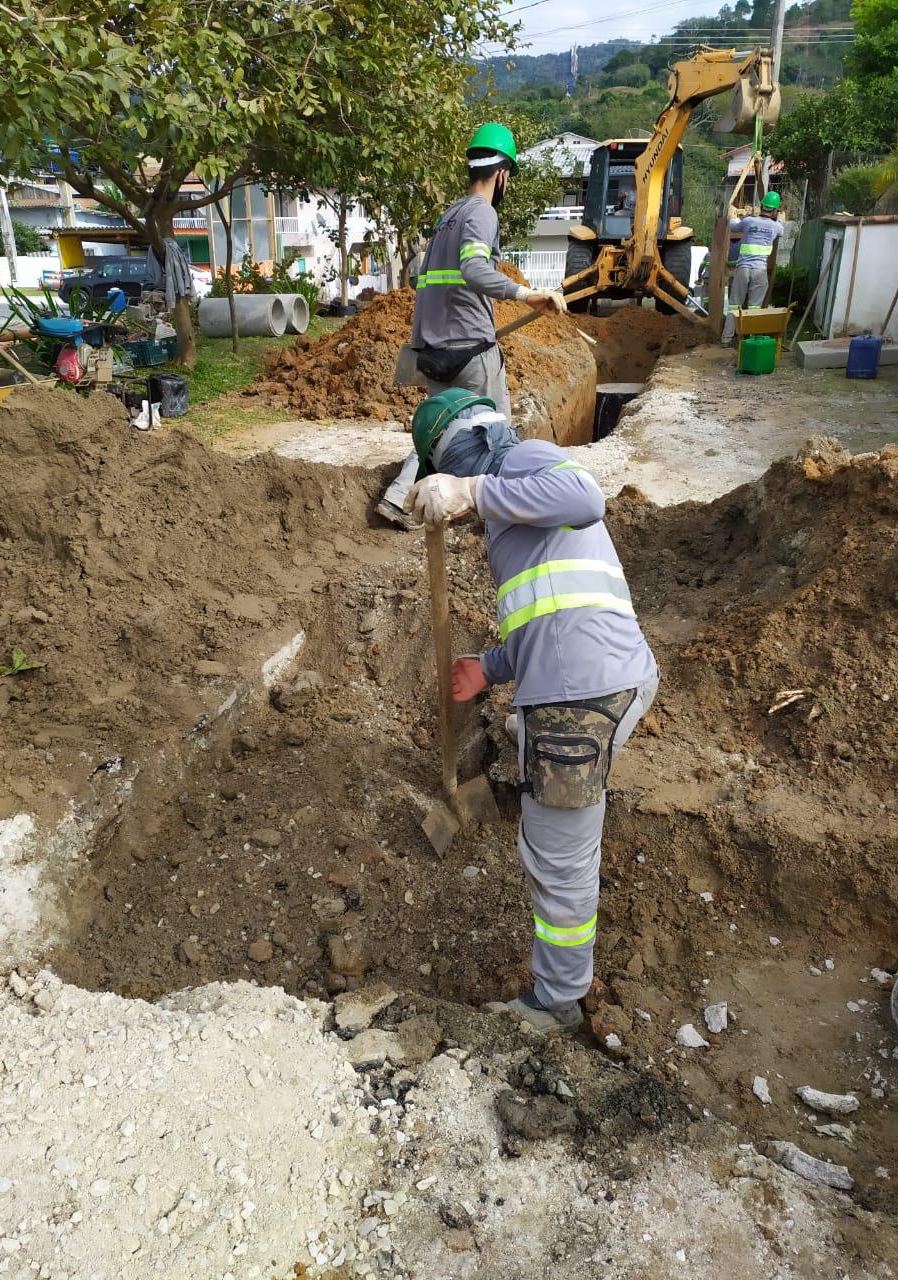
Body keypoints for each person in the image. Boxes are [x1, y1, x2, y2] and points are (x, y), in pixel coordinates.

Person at [405, 405, 659, 1034]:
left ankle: (557, 1003)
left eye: (447, 472)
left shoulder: (520, 462)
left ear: (461, 450)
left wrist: (471, 488)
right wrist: (489, 670)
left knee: (558, 858)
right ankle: (563, 985)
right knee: (555, 835)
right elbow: (549, 611)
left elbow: (585, 493)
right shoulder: (513, 521)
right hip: (595, 678)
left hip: (579, 701)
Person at [376, 122, 566, 529]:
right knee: (495, 431)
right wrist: (525, 294)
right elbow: (475, 269)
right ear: (501, 174)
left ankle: (400, 499)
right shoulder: (482, 212)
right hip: (471, 351)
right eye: (509, 177)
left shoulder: (449, 216)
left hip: (436, 350)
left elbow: (429, 284)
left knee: (443, 431)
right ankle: (503, 517)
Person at [721, 190, 783, 345]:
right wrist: (781, 219)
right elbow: (781, 227)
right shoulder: (776, 227)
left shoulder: (749, 221)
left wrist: (733, 214)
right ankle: (749, 340)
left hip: (743, 269)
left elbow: (733, 226)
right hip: (760, 271)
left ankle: (726, 338)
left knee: (735, 304)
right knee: (754, 307)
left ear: (761, 206)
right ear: (775, 210)